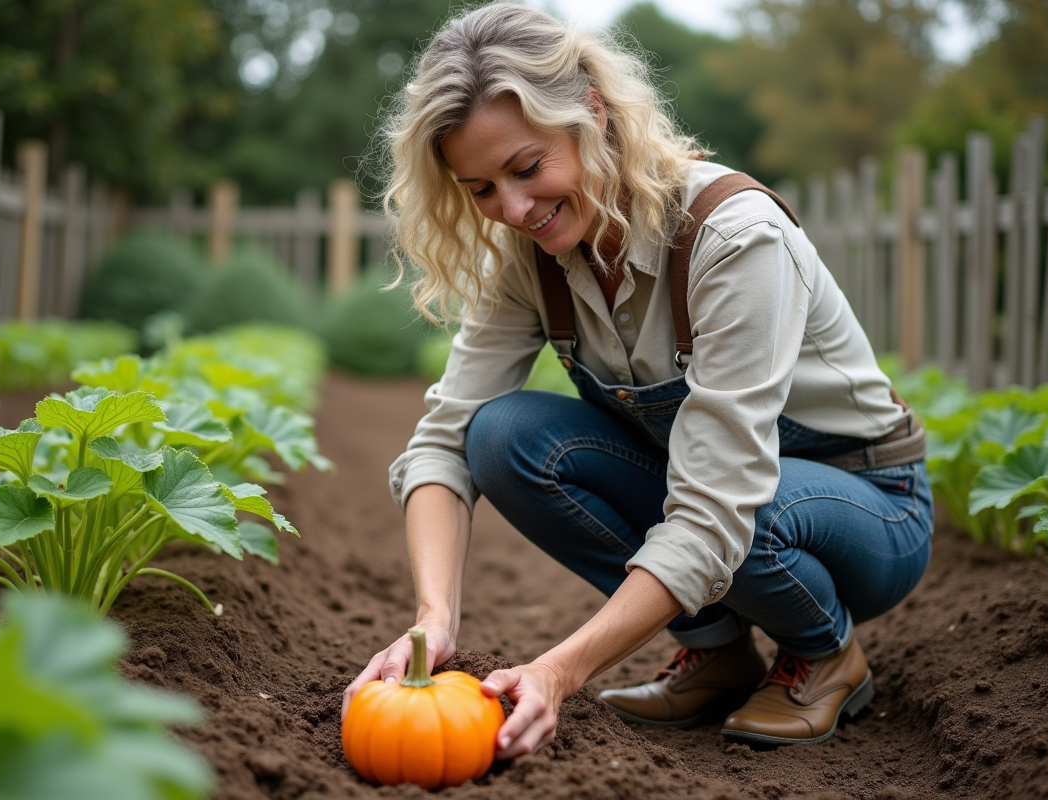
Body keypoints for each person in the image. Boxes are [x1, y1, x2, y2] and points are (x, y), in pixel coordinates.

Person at [341, 1, 933, 757]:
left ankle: (824, 653)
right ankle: (716, 654)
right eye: (482, 188)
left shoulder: (732, 237)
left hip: (867, 508)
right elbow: (445, 441)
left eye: (527, 168)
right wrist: (434, 619)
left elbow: (718, 504)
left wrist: (561, 670)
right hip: (729, 492)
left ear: (592, 111)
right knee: (505, 436)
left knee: (739, 512)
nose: (513, 210)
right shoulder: (533, 256)